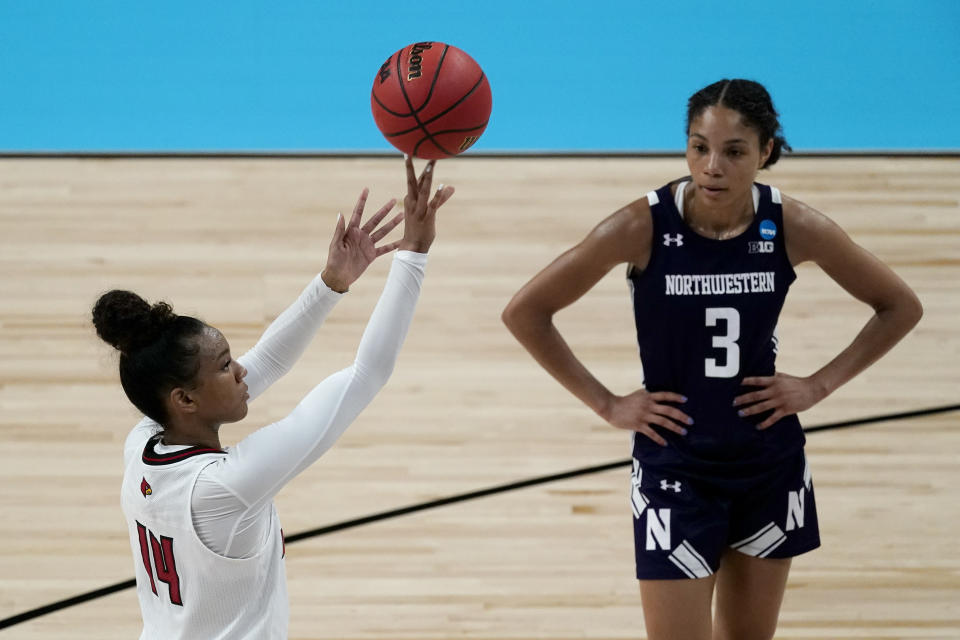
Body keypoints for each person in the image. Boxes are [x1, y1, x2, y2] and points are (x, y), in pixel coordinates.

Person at [501, 79, 923, 640]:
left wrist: (818, 387)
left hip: (767, 461)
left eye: (733, 151)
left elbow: (900, 306)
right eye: (699, 147)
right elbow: (526, 311)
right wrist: (606, 403)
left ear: (766, 152)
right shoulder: (643, 226)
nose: (712, 166)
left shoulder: (791, 225)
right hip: (675, 465)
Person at [93, 157, 454, 640]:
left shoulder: (142, 442)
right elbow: (367, 375)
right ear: (185, 399)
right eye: (224, 366)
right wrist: (413, 253)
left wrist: (332, 284)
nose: (241, 368)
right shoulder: (225, 488)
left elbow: (266, 362)